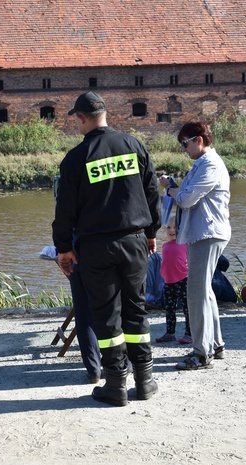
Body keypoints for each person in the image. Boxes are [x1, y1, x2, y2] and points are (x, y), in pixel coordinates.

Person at [53, 92, 160, 406]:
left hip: (97, 245)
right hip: (135, 240)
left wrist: (63, 249)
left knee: (107, 314)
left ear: (81, 118)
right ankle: (145, 380)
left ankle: (115, 383)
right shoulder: (134, 146)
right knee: (135, 309)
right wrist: (151, 233)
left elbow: (65, 210)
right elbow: (152, 192)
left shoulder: (76, 158)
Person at [160, 121, 231, 371]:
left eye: (184, 143)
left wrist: (170, 189)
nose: (184, 149)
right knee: (204, 292)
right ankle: (216, 344)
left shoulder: (210, 165)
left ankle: (201, 353)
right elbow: (187, 194)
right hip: (202, 233)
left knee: (196, 293)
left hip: (206, 234)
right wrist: (175, 188)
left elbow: (187, 199)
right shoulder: (202, 164)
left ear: (198, 140)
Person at [155, 215, 191, 344]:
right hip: (168, 282)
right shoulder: (164, 246)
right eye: (168, 227)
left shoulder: (185, 244)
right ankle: (170, 333)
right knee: (169, 309)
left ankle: (189, 333)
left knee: (188, 309)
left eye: (175, 227)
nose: (172, 230)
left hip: (183, 280)